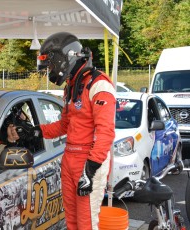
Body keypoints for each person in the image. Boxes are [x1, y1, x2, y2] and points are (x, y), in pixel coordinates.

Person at [33, 32, 116, 230]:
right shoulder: (72, 85)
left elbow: (105, 132)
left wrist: (91, 168)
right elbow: (64, 126)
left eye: (52, 65)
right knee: (72, 222)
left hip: (88, 160)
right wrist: (35, 131)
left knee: (86, 223)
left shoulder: (99, 85)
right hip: (70, 158)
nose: (51, 70)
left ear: (66, 58)